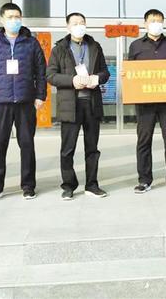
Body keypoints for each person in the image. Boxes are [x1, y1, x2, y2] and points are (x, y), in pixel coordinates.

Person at [0, 3, 46, 202]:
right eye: (10, 17)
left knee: (27, 144)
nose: (14, 20)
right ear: (2, 19)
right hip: (0, 101)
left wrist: (40, 95)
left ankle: (28, 186)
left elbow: (41, 71)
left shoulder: (31, 43)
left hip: (25, 101)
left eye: (17, 17)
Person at [46, 12, 110, 200]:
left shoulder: (95, 46)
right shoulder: (59, 49)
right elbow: (51, 76)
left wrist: (97, 78)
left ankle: (92, 184)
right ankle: (68, 185)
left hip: (91, 103)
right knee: (68, 149)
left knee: (92, 148)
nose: (79, 26)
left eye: (82, 22)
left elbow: (105, 72)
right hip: (70, 105)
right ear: (68, 27)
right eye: (75, 23)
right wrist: (72, 80)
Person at [126, 9, 166, 194]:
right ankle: (144, 180)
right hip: (145, 102)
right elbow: (131, 73)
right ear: (145, 23)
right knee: (144, 141)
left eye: (159, 21)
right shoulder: (135, 46)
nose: (156, 24)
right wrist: (125, 74)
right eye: (153, 20)